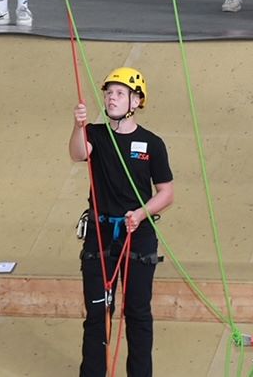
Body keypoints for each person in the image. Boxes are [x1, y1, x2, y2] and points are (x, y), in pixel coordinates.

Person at [70, 68, 174, 377]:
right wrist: (78, 126)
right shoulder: (96, 135)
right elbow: (78, 153)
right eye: (108, 93)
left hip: (137, 235)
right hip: (101, 234)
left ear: (136, 101)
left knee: (137, 313)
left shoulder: (151, 144)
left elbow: (166, 193)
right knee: (97, 313)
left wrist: (140, 213)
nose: (111, 98)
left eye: (119, 93)